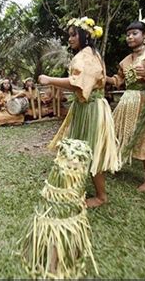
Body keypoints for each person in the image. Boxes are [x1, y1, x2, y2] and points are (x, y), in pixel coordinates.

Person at [38, 16, 119, 208]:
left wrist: (49, 79)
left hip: (92, 109)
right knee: (80, 147)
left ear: (84, 35)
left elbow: (77, 83)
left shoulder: (87, 55)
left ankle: (101, 196)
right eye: (70, 35)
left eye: (74, 35)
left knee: (90, 149)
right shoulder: (89, 54)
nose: (70, 39)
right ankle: (76, 186)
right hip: (86, 107)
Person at [106, 11, 145, 191]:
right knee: (117, 131)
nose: (130, 37)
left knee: (144, 136)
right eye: (128, 34)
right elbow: (118, 80)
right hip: (128, 100)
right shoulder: (126, 60)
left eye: (134, 33)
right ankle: (116, 162)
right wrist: (104, 78)